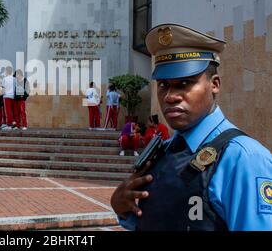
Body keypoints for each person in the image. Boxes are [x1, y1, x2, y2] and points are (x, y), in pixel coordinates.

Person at [111, 24, 272, 231]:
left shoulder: (243, 158)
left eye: (184, 83)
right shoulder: (164, 151)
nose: (170, 96)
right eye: (163, 85)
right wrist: (123, 209)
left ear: (214, 85)